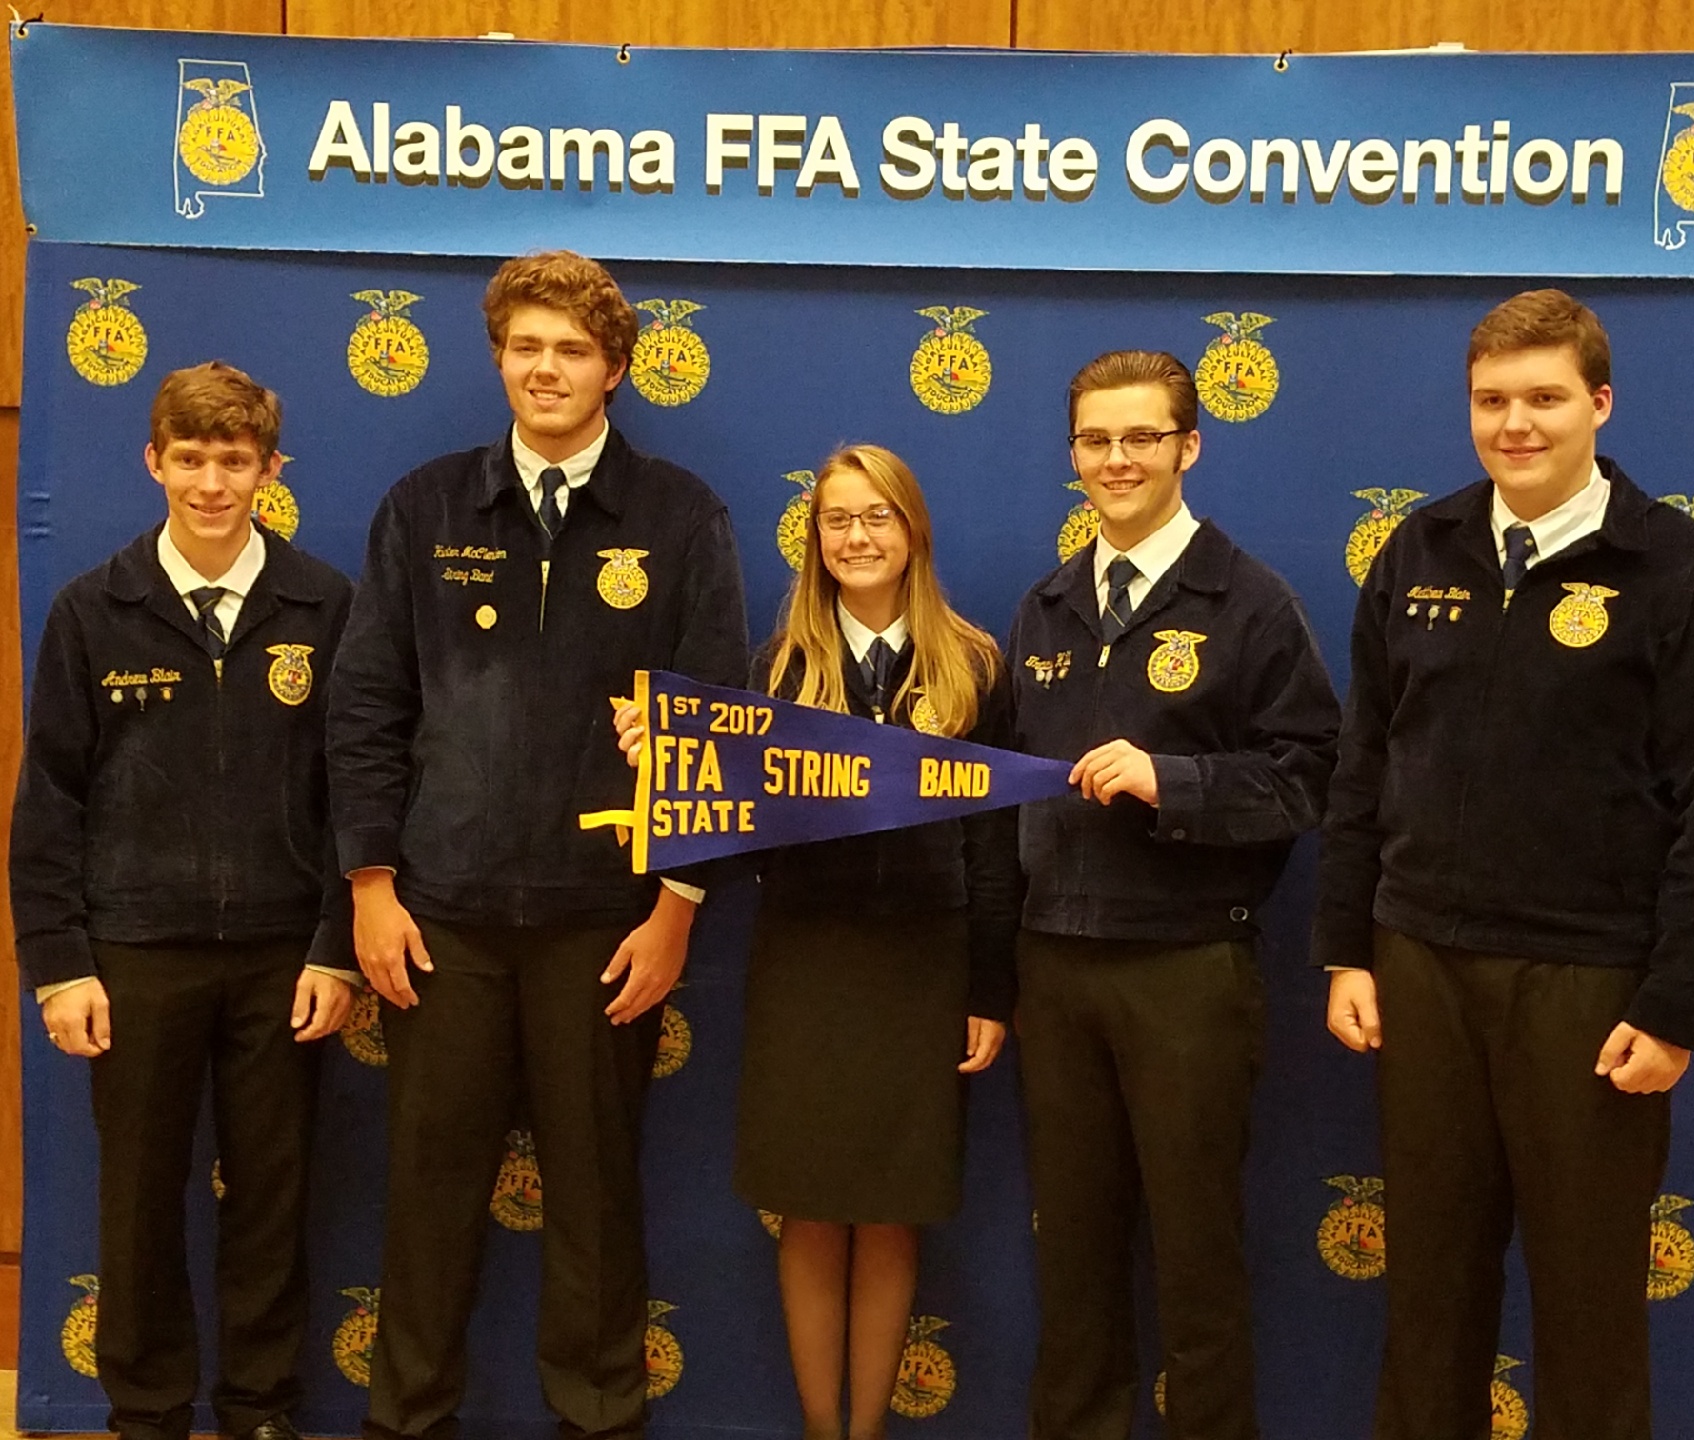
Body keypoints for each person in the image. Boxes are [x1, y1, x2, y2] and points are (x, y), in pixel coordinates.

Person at [1314, 289, 1694, 1440]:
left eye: (1544, 399)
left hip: (1590, 991)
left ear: (1599, 404)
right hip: (1419, 968)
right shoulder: (1421, 545)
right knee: (1428, 1299)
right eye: (1492, 401)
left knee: (1587, 1309)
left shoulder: (1673, 567)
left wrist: (1676, 1007)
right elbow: (1362, 765)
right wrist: (1345, 951)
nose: (1515, 424)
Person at [326, 250, 750, 1440]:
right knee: (426, 1201)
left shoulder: (678, 516)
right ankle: (406, 1419)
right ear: (499, 357)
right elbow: (365, 709)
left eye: (572, 349)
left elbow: (716, 730)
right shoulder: (425, 507)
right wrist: (369, 884)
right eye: (526, 346)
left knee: (601, 1208)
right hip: (439, 920)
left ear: (615, 367)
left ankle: (601, 1420)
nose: (546, 368)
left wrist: (676, 907)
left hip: (605, 929)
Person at [12, 362, 356, 1440]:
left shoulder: (324, 603)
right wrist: (60, 961)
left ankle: (259, 1407)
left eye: (236, 461)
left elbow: (357, 791)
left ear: (271, 469)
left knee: (273, 1198)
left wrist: (337, 946)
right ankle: (147, 1411)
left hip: (280, 957)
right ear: (153, 461)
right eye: (192, 459)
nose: (213, 483)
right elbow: (49, 799)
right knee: (140, 1199)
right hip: (134, 954)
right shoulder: (93, 610)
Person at [1007, 350, 1342, 1440]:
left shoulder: (1249, 603)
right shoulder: (1047, 608)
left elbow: (1311, 776)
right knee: (1074, 1258)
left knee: (1197, 1256)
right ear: (1073, 457)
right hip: (1054, 965)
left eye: (1141, 438)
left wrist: (1175, 782)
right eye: (1096, 441)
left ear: (1188, 447)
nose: (1117, 460)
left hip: (1189, 970)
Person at [728, 443, 1019, 1440]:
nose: (857, 537)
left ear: (913, 532)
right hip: (807, 965)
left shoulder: (975, 664)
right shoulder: (773, 672)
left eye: (877, 517)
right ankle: (821, 1431)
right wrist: (664, 771)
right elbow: (727, 840)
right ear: (813, 540)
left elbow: (995, 843)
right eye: (837, 520)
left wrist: (990, 985)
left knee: (892, 1208)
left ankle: (868, 1434)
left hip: (922, 968)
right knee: (810, 1208)